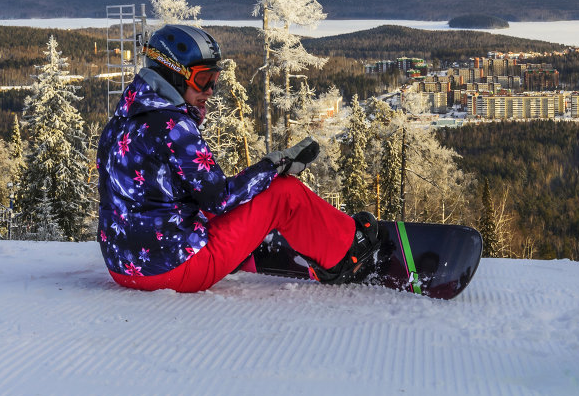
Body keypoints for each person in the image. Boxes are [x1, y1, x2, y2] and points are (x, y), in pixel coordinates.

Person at [96, 23, 382, 292]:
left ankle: (246, 250)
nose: (210, 91)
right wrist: (275, 165)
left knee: (218, 198)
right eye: (203, 79)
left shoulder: (121, 121)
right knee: (284, 193)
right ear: (172, 75)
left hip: (123, 268)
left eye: (214, 80)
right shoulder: (174, 126)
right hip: (176, 269)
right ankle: (346, 255)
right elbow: (219, 199)